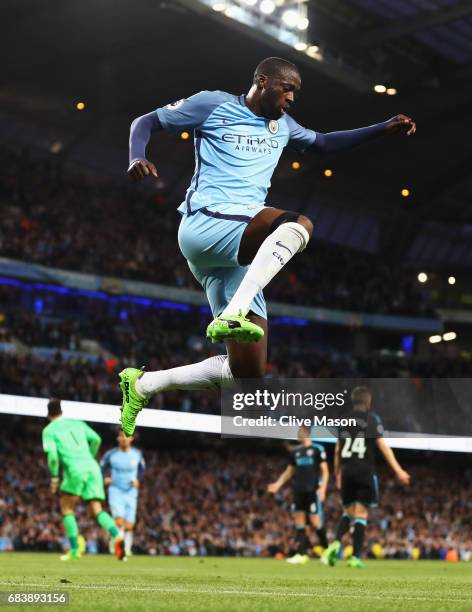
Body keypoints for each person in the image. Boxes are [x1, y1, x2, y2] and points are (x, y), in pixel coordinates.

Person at [119, 56, 416, 436]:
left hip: (234, 252)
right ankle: (236, 310)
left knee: (247, 372)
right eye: (287, 88)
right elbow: (144, 122)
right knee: (299, 223)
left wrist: (382, 128)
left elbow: (323, 144)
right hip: (207, 222)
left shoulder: (284, 126)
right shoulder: (213, 104)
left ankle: (142, 384)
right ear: (263, 81)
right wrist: (137, 155)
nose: (292, 97)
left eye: (296, 91)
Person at [323, 386, 411, 568]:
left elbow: (338, 450)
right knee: (361, 514)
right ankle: (355, 557)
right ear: (368, 402)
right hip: (365, 471)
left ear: (353, 402)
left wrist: (337, 473)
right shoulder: (372, 420)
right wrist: (399, 470)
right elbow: (383, 447)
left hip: (347, 471)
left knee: (347, 512)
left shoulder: (343, 420)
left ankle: (336, 542)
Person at [42, 399, 125, 560]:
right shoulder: (77, 423)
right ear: (62, 411)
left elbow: (52, 456)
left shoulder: (49, 430)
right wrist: (90, 457)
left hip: (74, 469)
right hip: (92, 467)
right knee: (97, 510)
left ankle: (74, 550)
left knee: (67, 509)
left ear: (48, 414)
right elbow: (96, 440)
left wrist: (54, 477)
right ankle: (117, 537)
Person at [267, 425, 329, 564]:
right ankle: (302, 554)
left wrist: (323, 488)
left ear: (305, 433)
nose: (296, 435)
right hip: (298, 491)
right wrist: (277, 484)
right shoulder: (296, 452)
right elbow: (289, 471)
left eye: (298, 432)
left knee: (315, 522)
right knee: (300, 523)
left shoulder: (317, 449)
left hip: (312, 491)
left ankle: (327, 550)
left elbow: (325, 471)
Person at [101, 429, 145, 558]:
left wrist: (138, 480)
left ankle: (125, 546)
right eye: (121, 436)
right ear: (118, 438)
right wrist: (105, 478)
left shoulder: (137, 454)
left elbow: (142, 469)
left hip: (131, 491)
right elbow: (102, 467)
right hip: (115, 490)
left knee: (129, 525)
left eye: (127, 436)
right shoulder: (111, 454)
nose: (124, 438)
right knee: (119, 521)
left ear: (131, 438)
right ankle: (120, 548)